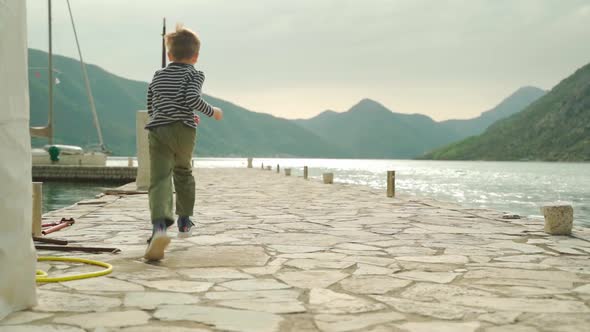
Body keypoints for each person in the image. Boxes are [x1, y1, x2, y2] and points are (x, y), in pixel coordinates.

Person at [144, 24, 223, 261]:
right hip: (184, 131)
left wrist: (162, 117)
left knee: (159, 179)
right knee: (183, 171)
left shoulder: (158, 75)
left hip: (158, 129)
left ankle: (159, 228)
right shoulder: (195, 73)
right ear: (196, 56)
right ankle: (185, 220)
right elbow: (191, 98)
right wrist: (213, 112)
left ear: (169, 55)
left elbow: (152, 103)